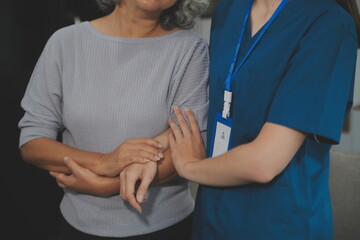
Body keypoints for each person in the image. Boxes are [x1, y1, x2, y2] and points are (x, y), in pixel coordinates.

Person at [167, 0, 360, 239]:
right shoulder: (229, 9)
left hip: (277, 222)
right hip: (211, 217)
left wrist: (188, 167)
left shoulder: (329, 24)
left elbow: (265, 163)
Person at [18, 0, 209, 239]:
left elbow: (192, 147)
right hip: (76, 226)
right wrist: (103, 162)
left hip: (166, 228)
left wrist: (111, 186)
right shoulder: (64, 42)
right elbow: (32, 143)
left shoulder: (191, 48)